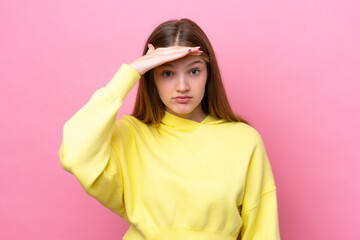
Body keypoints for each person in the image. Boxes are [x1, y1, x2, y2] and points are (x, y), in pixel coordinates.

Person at [57, 18, 280, 240]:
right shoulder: (131, 134)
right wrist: (131, 72)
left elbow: (263, 231)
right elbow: (75, 154)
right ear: (151, 79)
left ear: (208, 75)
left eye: (194, 72)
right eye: (167, 73)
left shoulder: (244, 140)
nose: (182, 87)